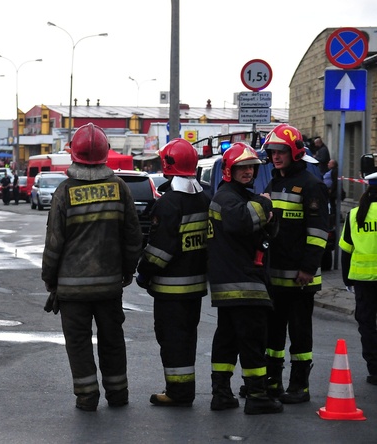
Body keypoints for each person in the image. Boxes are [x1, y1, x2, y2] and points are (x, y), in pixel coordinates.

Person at [42, 123, 142, 411]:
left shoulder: (64, 192)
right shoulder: (119, 188)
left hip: (72, 290)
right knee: (112, 339)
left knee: (79, 343)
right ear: (105, 153)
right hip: (110, 286)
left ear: (73, 153)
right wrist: (126, 271)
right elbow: (133, 238)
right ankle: (118, 394)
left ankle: (87, 397)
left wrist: (50, 280)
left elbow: (54, 244)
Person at [207, 143, 283, 415]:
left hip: (233, 283)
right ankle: (258, 395)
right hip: (244, 283)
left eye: (251, 167)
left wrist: (266, 216)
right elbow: (241, 222)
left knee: (226, 340)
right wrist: (265, 203)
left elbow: (262, 232)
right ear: (229, 170)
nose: (248, 171)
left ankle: (221, 394)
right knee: (253, 341)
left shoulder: (236, 195)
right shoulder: (228, 197)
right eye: (241, 167)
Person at [135, 138, 210, 407]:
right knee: (187, 338)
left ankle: (178, 392)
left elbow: (159, 251)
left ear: (168, 165)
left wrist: (143, 272)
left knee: (172, 339)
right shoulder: (204, 197)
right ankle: (183, 390)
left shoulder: (169, 204)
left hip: (170, 289)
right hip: (196, 287)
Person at [263, 124, 329, 404]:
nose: (276, 157)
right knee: (273, 333)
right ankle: (273, 382)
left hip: (300, 278)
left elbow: (318, 232)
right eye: (272, 152)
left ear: (294, 152)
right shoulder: (274, 182)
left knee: (299, 334)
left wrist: (307, 268)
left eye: (281, 151)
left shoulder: (312, 185)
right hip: (274, 275)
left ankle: (299, 386)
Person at [339, 169, 377, 386]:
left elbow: (346, 250)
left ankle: (374, 369)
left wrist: (346, 281)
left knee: (367, 326)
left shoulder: (355, 214)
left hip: (362, 281)